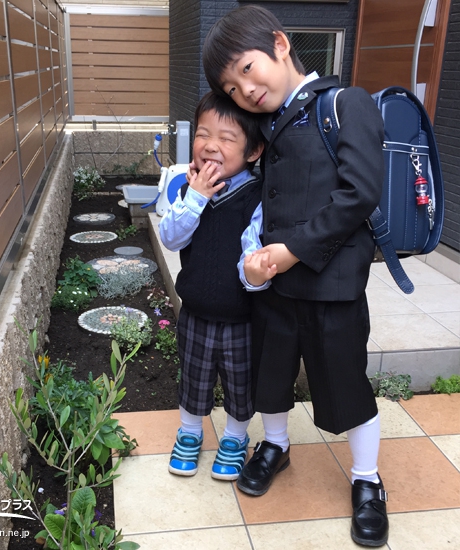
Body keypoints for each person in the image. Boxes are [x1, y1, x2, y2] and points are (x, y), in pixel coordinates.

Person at [200, 5, 389, 547]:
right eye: (231, 86)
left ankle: (367, 481)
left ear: (280, 45)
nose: (244, 90)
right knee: (271, 374)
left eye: (247, 69)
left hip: (333, 285)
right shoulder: (267, 124)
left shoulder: (344, 104)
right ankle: (275, 447)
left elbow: (359, 193)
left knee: (347, 382)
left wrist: (290, 251)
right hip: (277, 288)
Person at [159, 91, 264, 482]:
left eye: (227, 138)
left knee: (241, 382)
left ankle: (236, 438)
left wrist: (254, 275)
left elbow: (253, 248)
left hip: (242, 315)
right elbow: (170, 238)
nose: (211, 146)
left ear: (253, 151)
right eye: (204, 134)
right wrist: (197, 198)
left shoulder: (256, 196)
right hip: (197, 310)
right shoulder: (189, 190)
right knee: (194, 376)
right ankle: (189, 432)